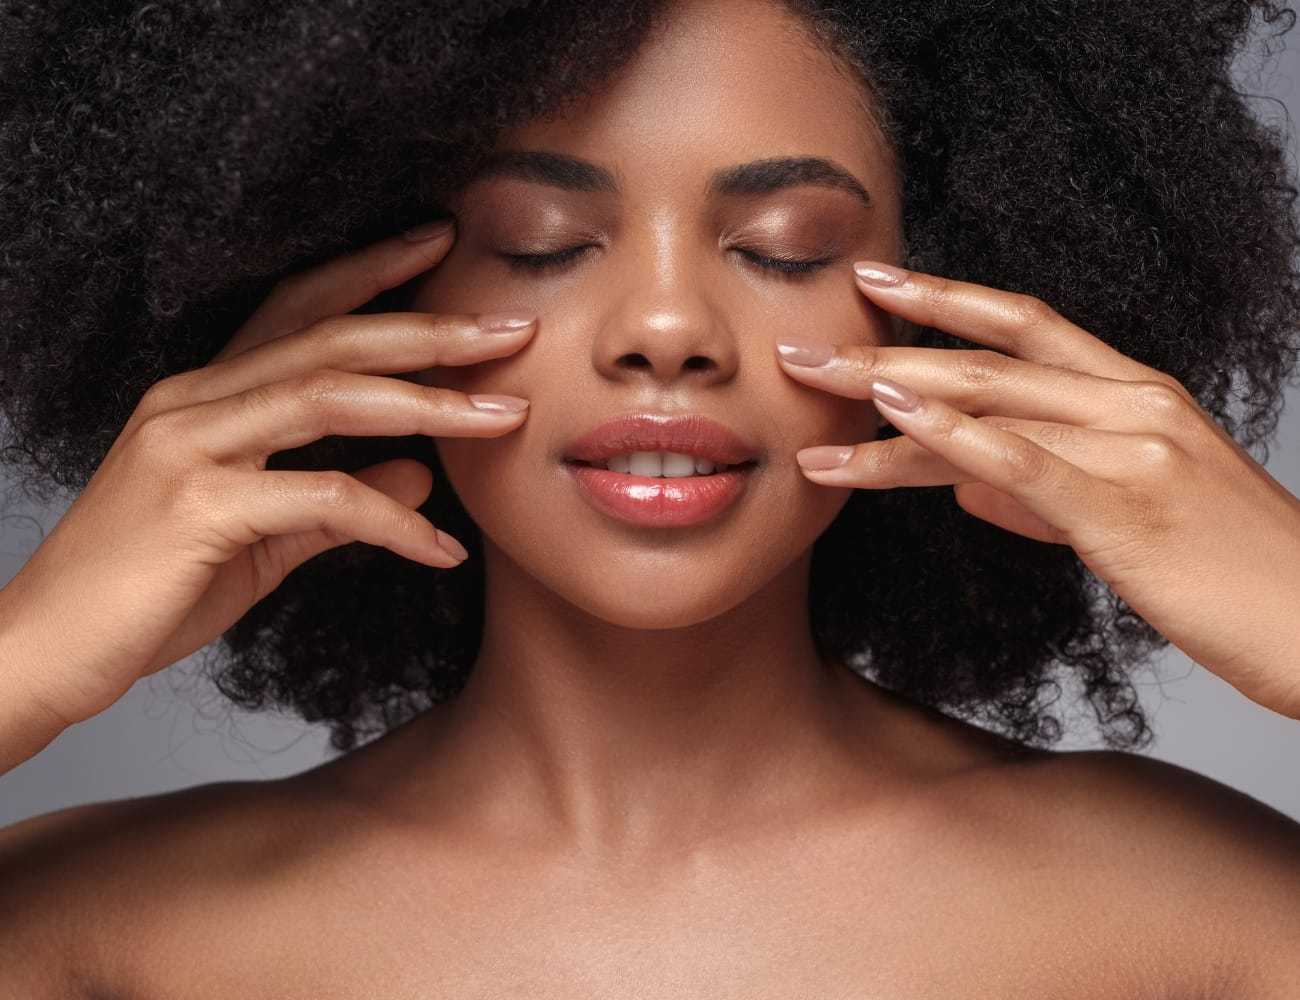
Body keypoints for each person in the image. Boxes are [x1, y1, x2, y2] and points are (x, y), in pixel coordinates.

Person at [2, 0, 1299, 993]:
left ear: (948, 288)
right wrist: (28, 657)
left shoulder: (1210, 924)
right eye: (542, 244)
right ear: (368, 297)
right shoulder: (92, 938)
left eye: (783, 248)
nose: (669, 328)